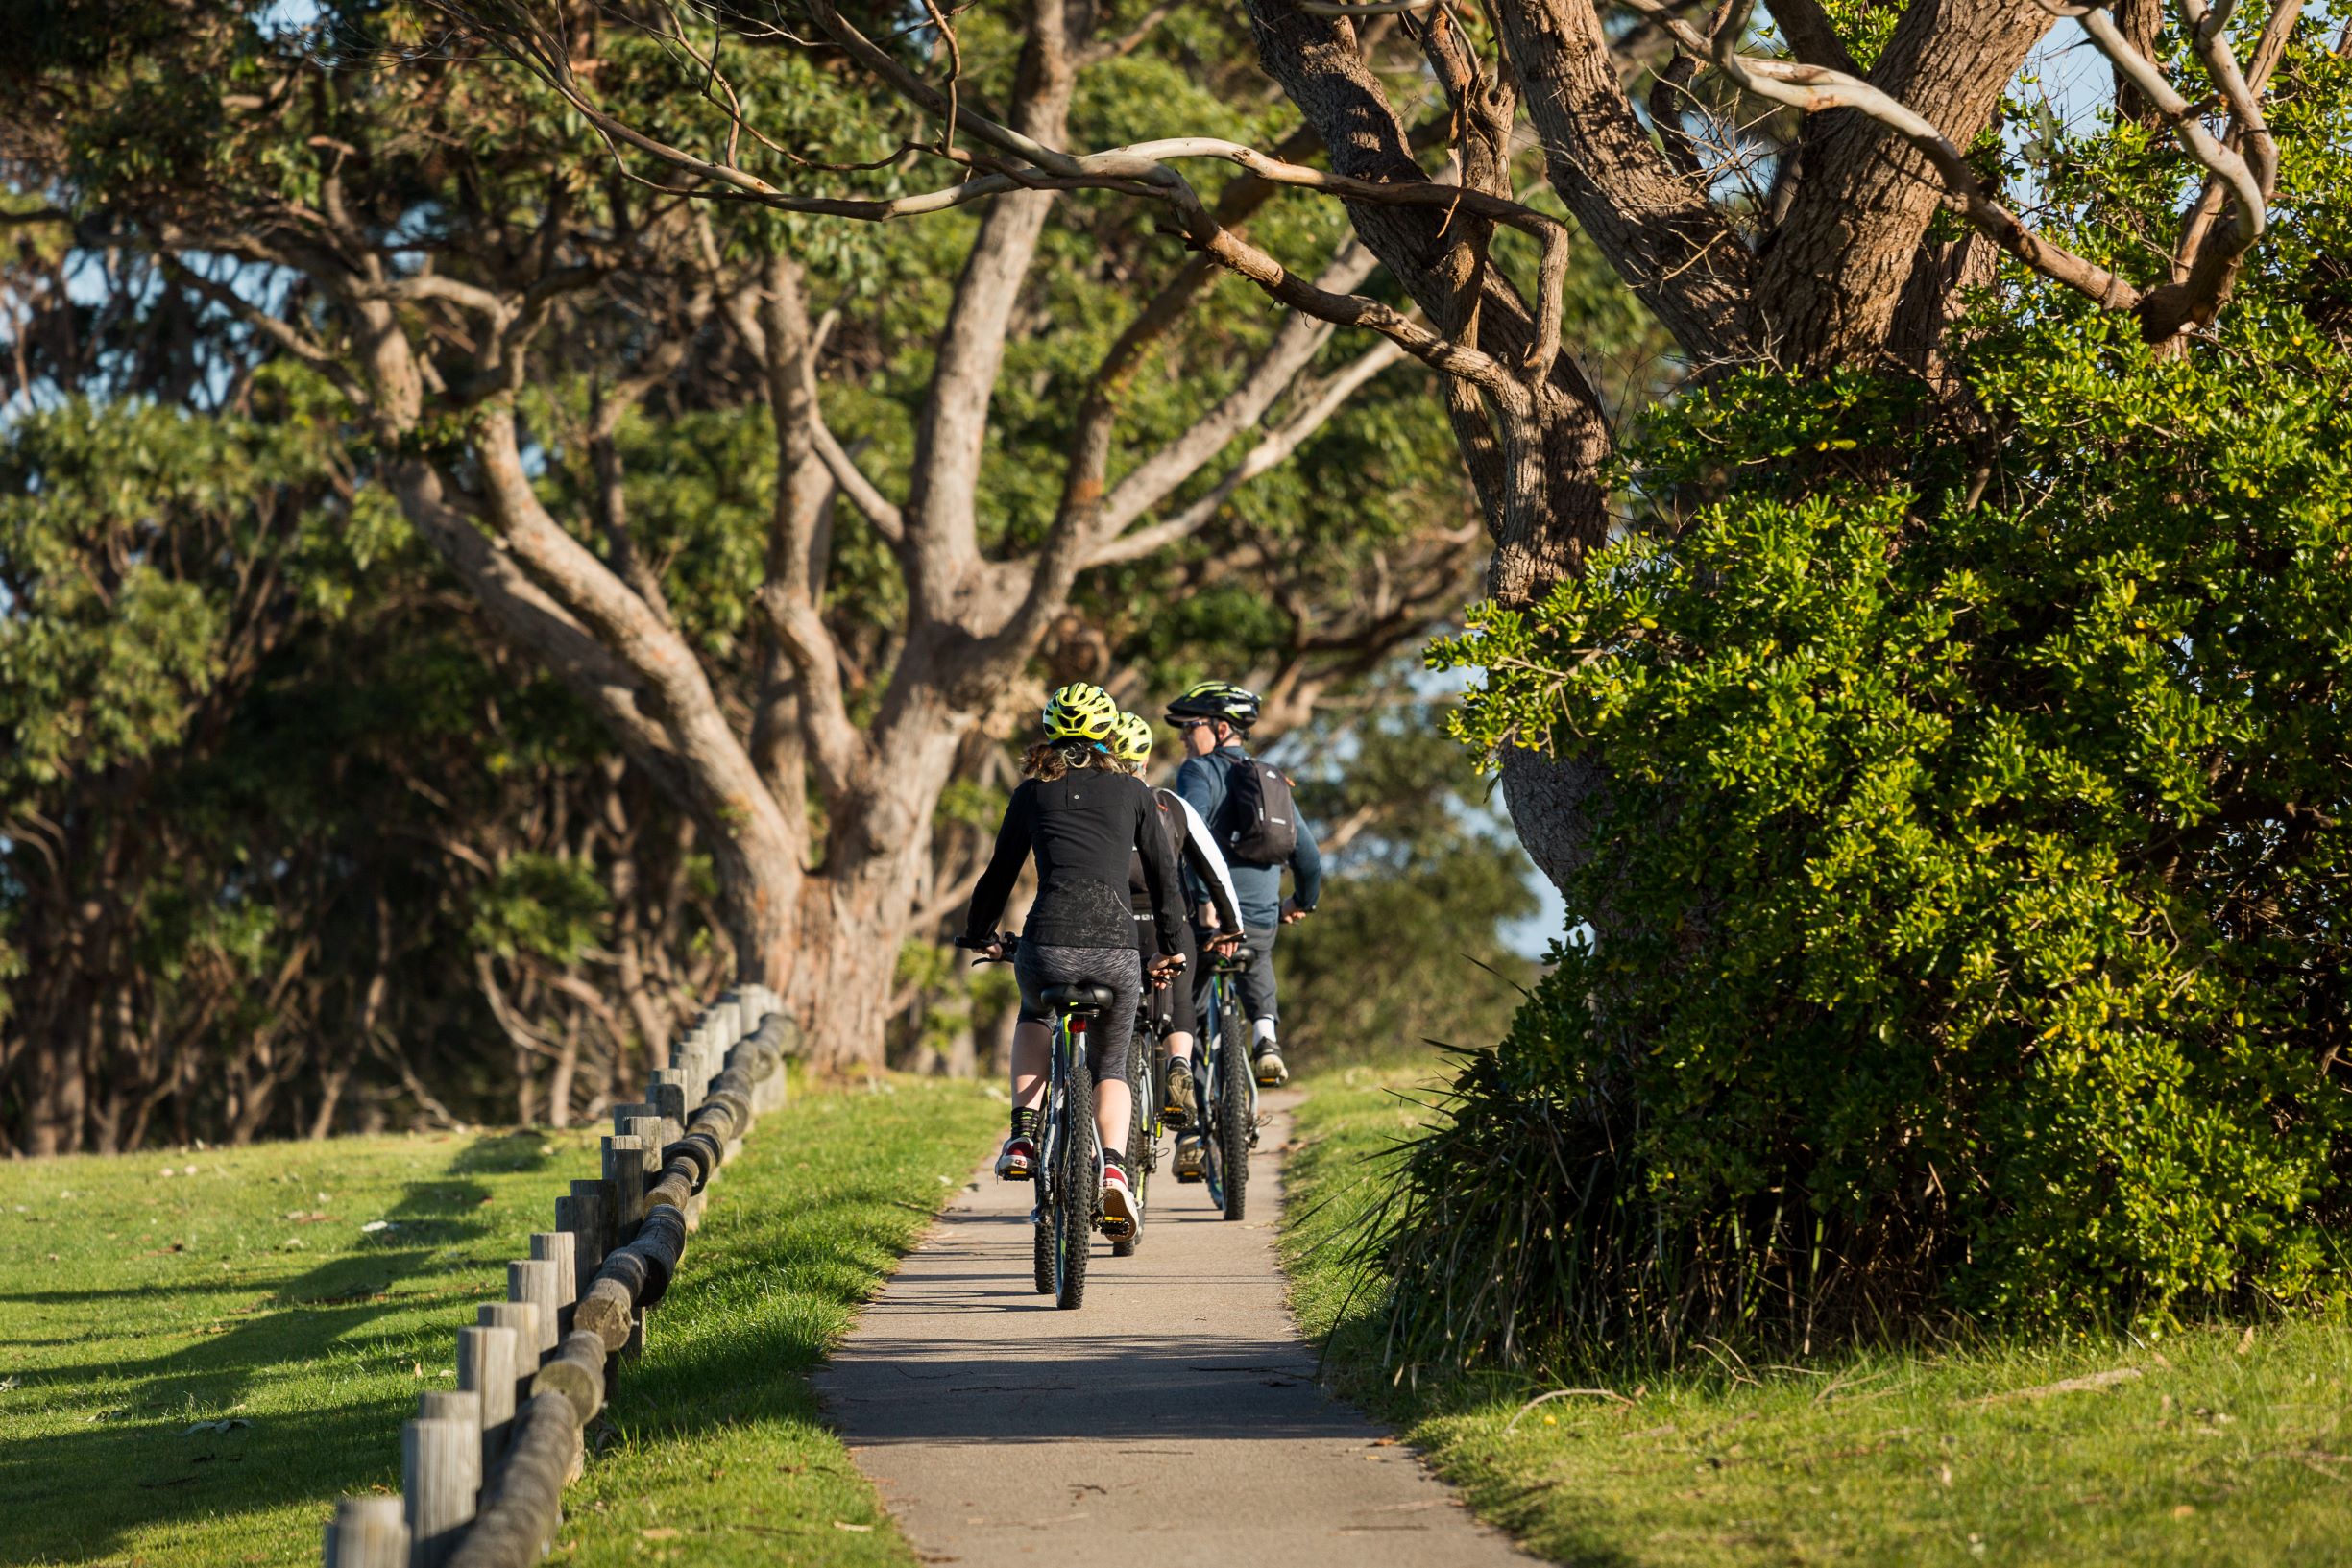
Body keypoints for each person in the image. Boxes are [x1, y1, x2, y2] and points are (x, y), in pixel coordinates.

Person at [962, 682, 1186, 1238]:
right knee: (1110, 1067)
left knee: (1034, 1013)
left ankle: (1022, 1135)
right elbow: (1164, 877)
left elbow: (999, 873)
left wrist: (980, 934)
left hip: (1049, 944)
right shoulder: (1134, 792)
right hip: (1117, 948)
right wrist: (1169, 946)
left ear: (1050, 734)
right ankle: (1113, 1168)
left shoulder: (1031, 794)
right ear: (1108, 735)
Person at [1165, 680, 1321, 1087]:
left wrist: (1205, 902)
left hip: (1207, 918)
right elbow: (1307, 854)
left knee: (1187, 1000)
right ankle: (1266, 1037)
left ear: (1220, 728)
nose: (1183, 737)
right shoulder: (1272, 778)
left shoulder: (1198, 771)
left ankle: (1190, 1100)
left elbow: (1191, 835)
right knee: (1258, 954)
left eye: (1191, 726)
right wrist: (1302, 901)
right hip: (1261, 916)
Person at [1106, 711, 1242, 1131]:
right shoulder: (1171, 804)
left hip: (1114, 925)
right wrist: (1231, 924)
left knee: (1112, 1019)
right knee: (1180, 1002)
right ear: (1145, 760)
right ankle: (1179, 1062)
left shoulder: (1094, 805)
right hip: (1169, 923)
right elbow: (1214, 870)